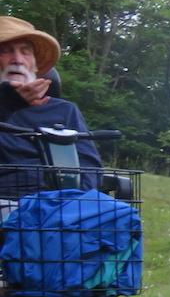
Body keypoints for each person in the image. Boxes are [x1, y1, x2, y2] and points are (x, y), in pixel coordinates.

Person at [0, 16, 100, 200]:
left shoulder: (65, 110)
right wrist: (8, 103)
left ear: (36, 65)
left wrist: (74, 203)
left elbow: (89, 166)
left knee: (122, 215)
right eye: (5, 51)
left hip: (61, 203)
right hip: (7, 202)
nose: (17, 60)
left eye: (25, 52)